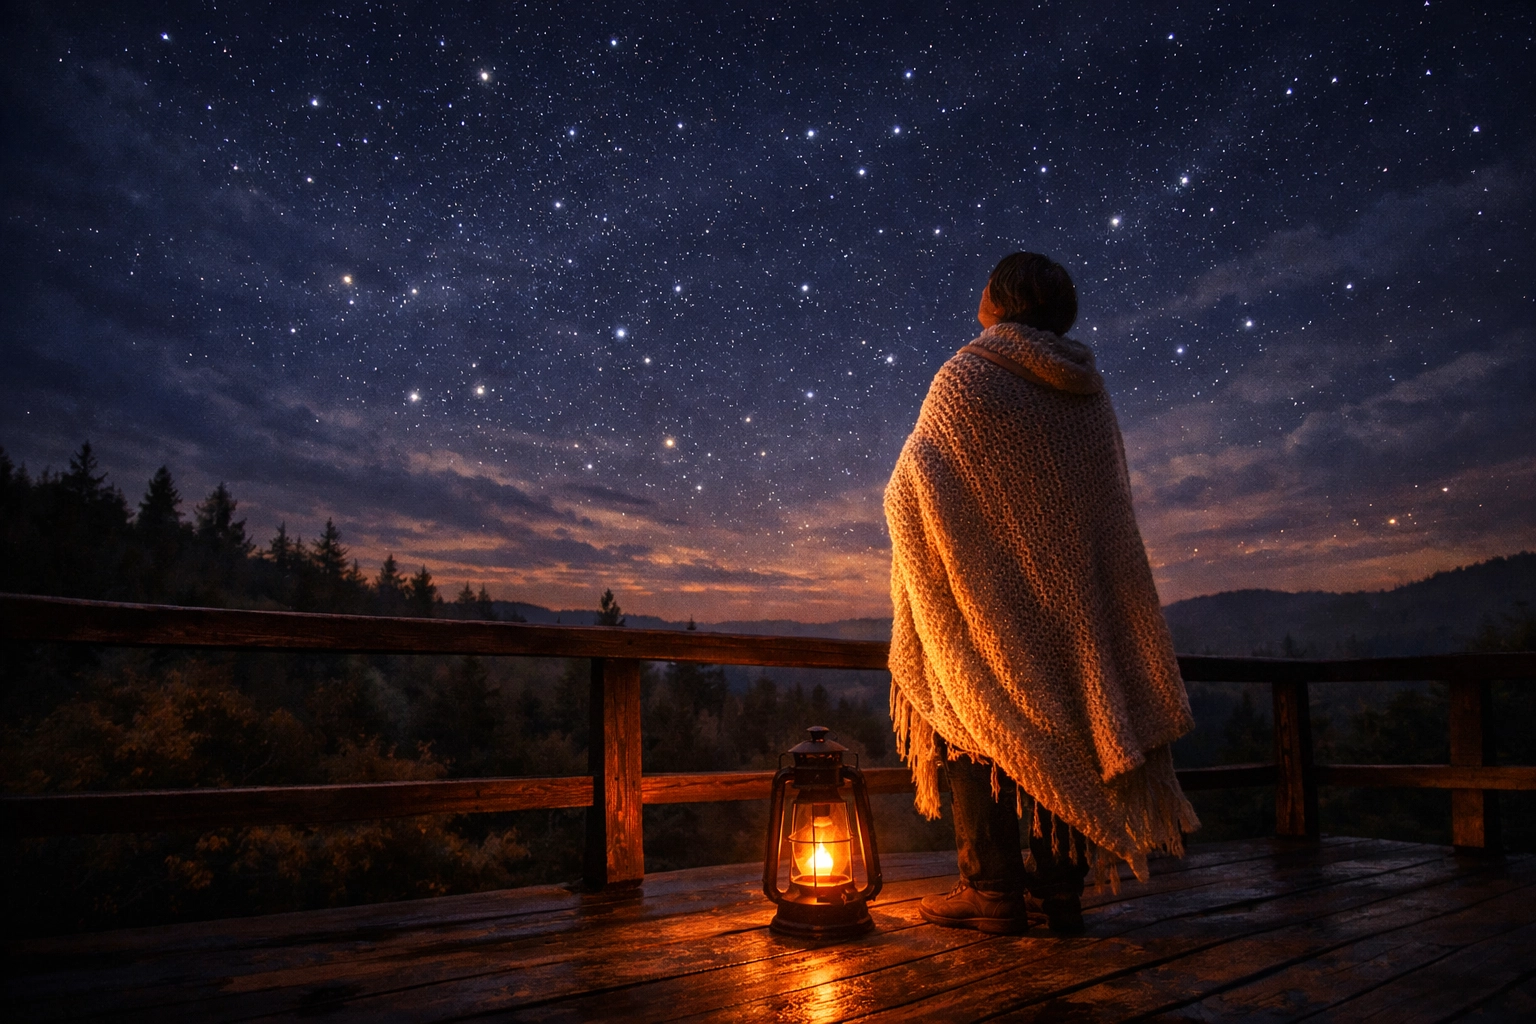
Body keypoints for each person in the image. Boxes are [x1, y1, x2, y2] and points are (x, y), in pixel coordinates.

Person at [884, 252, 1200, 935]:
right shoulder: (1087, 389)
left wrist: (957, 564)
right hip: (1072, 604)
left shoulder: (966, 376)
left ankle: (991, 891)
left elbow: (912, 486)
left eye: (985, 282)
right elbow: (1098, 507)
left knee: (970, 716)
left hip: (989, 598)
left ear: (1000, 298)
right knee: (1067, 720)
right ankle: (1059, 892)